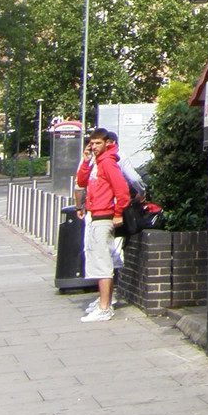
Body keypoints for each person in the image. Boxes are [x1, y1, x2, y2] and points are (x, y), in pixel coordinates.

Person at [74, 129, 130, 323]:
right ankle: (103, 301)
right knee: (97, 261)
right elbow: (81, 181)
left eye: (98, 143)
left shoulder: (108, 163)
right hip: (95, 215)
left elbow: (122, 190)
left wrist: (118, 213)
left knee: (102, 263)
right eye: (92, 143)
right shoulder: (96, 162)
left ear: (107, 142)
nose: (95, 147)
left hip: (103, 216)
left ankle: (104, 307)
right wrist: (85, 159)